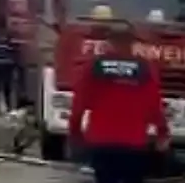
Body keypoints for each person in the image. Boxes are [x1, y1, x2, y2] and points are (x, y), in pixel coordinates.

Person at [68, 20, 169, 183]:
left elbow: (79, 103)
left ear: (110, 42)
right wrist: (162, 132)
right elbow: (154, 105)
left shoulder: (94, 66)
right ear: (132, 42)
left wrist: (75, 133)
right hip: (133, 143)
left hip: (101, 142)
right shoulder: (144, 69)